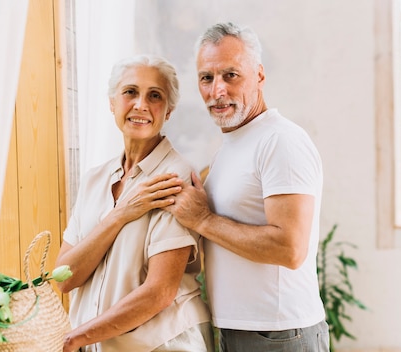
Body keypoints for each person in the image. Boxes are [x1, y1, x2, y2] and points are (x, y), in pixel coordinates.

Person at [165, 22, 329, 351]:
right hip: (239, 330)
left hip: (279, 334)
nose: (217, 90)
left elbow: (290, 248)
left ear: (259, 76)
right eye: (206, 78)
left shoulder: (281, 140)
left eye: (231, 75)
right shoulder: (233, 146)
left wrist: (203, 220)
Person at [55, 54, 213, 352]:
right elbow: (65, 277)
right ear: (112, 102)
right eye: (130, 92)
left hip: (164, 345)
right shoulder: (94, 180)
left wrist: (76, 337)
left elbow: (160, 291)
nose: (141, 104)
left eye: (155, 96)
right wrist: (120, 215)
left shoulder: (175, 180)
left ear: (168, 111)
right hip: (98, 343)